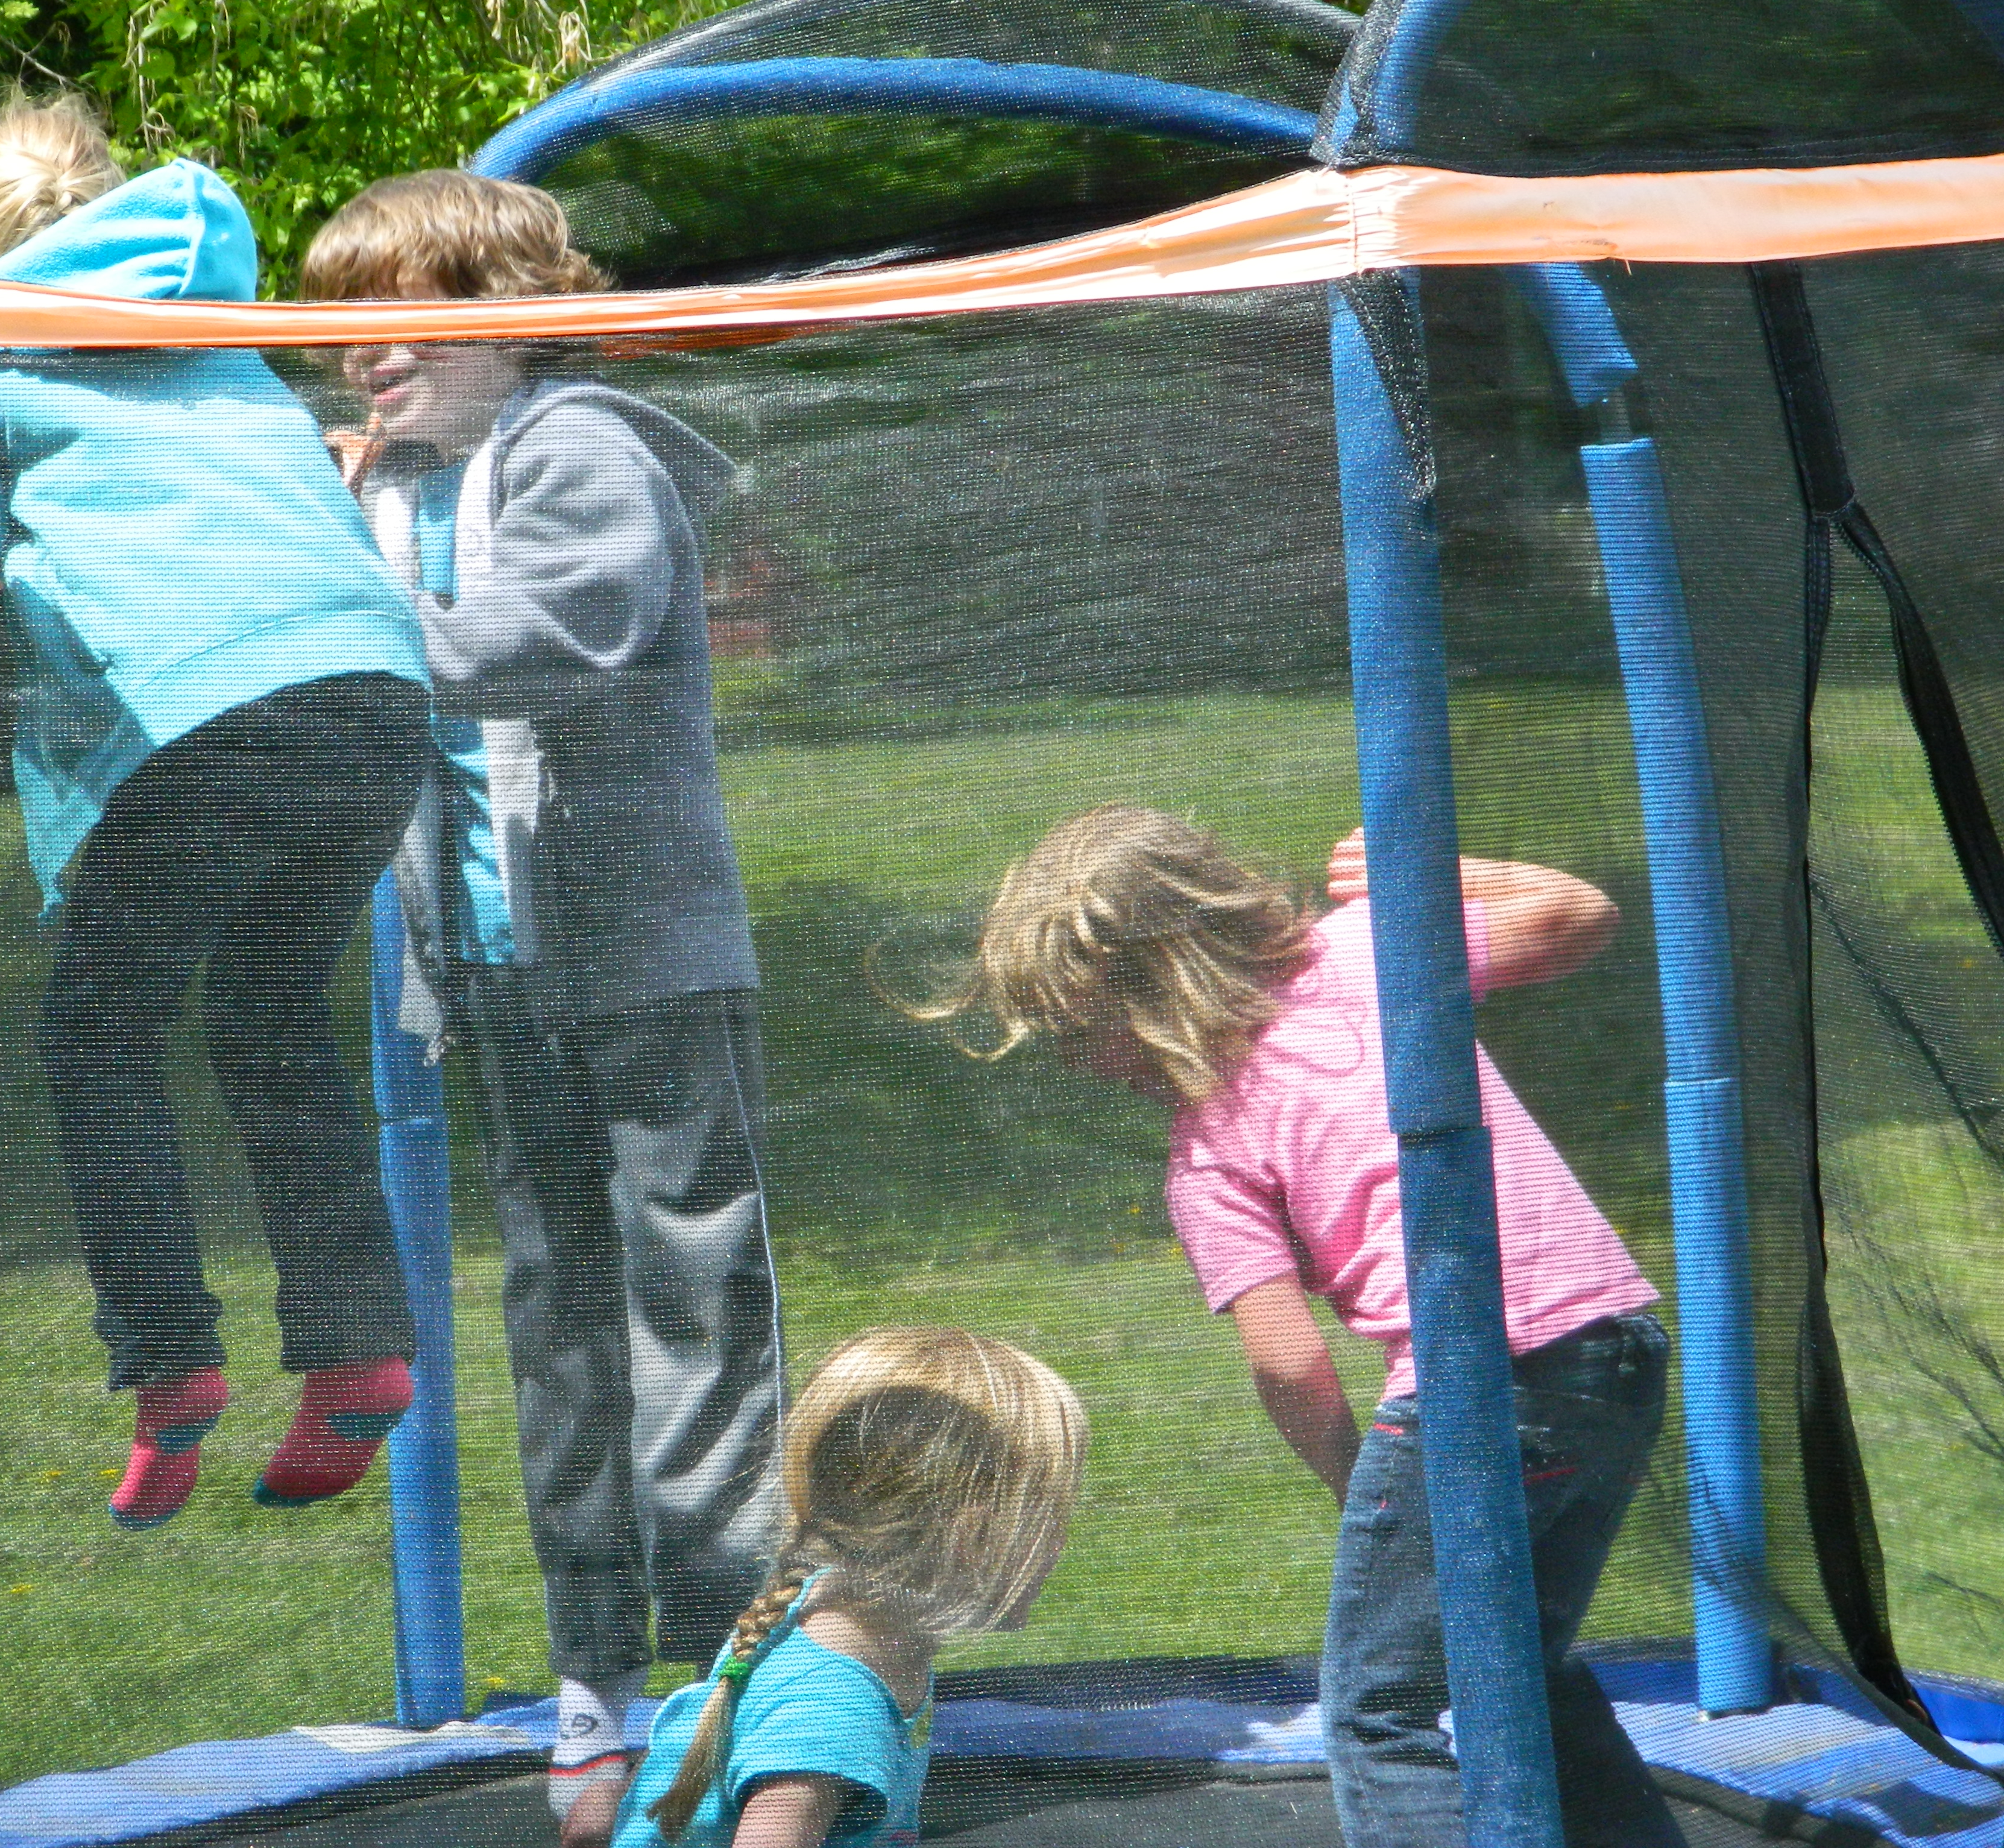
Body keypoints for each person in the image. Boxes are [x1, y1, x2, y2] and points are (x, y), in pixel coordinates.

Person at [299, 169, 786, 1840]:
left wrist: (318, 589)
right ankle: (598, 1676)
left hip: (647, 967)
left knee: (694, 1324)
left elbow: (547, 638)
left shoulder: (582, 445)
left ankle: (736, 1682)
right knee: (558, 1333)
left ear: (506, 306)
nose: (365, 358)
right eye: (342, 326)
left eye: (402, 319)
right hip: (492, 984)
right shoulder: (387, 487)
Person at [0, 92, 432, 1530]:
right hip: (375, 695)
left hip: (213, 714)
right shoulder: (214, 335)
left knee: (96, 1026)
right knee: (268, 1012)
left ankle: (171, 1363)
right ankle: (360, 1340)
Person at [919, 806, 1684, 1848]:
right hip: (1616, 1351)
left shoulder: (1212, 1151)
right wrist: (1442, 873)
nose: (1076, 1064)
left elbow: (1288, 1363)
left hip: (1479, 1388)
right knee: (1519, 1658)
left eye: (1075, 1032)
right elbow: (1579, 914)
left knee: (1382, 1710)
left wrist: (1354, 1484)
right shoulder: (1368, 951)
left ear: (1152, 996)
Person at [611, 1326, 1086, 1848]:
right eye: (1048, 1519)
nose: (1060, 1544)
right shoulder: (834, 1710)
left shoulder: (836, 1617)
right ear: (972, 1538)